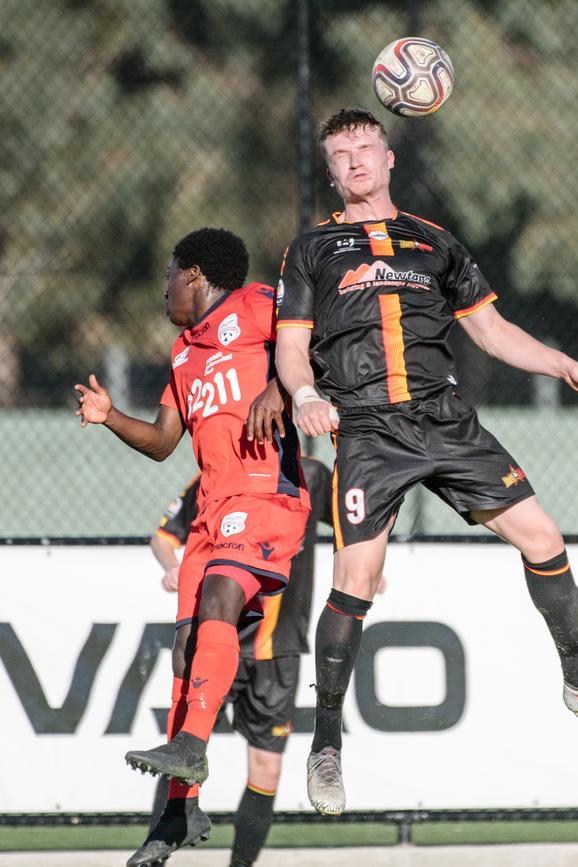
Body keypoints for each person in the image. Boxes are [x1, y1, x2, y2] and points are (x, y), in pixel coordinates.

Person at [274, 107, 578, 816]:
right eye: (340, 153)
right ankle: (326, 744)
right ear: (329, 171)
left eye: (365, 147)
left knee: (544, 537)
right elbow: (291, 344)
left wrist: (564, 363)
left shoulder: (435, 243)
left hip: (444, 420)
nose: (354, 161)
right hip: (369, 430)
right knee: (356, 577)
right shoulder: (312, 249)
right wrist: (302, 394)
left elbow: (493, 331)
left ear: (389, 159)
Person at [75, 227, 310, 866]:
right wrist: (108, 416)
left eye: (171, 273)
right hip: (209, 513)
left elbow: (321, 346)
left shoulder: (261, 304)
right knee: (185, 651)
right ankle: (180, 809)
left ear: (197, 274)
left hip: (266, 495)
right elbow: (161, 440)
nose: (166, 287)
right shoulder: (184, 352)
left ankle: (187, 751)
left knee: (224, 601)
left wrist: (281, 389)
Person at [149, 457, 332, 866]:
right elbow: (163, 538)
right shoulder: (215, 474)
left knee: (266, 770)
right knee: (183, 756)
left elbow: (352, 518)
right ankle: (157, 852)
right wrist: (173, 568)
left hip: (277, 649)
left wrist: (362, 564)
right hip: (216, 640)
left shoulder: (312, 475)